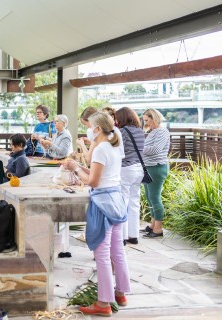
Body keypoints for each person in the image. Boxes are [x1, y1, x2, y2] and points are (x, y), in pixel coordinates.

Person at [63, 112, 130, 317]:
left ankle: (103, 303)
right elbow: (100, 173)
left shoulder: (101, 148)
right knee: (117, 251)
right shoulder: (114, 146)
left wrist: (75, 168)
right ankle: (121, 293)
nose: (88, 130)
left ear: (98, 129)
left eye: (90, 126)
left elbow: (93, 182)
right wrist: (80, 167)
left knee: (101, 254)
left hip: (102, 203)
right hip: (117, 200)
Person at [116, 107, 145, 245]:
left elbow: (118, 150)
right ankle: (133, 235)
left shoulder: (122, 132)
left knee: (123, 201)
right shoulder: (140, 131)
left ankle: (122, 237)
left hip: (126, 168)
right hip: (139, 168)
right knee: (134, 202)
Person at [141, 108, 170, 238]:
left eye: (147, 120)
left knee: (154, 197)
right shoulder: (154, 132)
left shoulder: (162, 132)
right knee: (149, 196)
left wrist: (137, 148)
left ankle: (158, 229)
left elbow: (156, 150)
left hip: (156, 167)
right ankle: (153, 225)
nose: (145, 123)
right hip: (150, 167)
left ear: (154, 118)